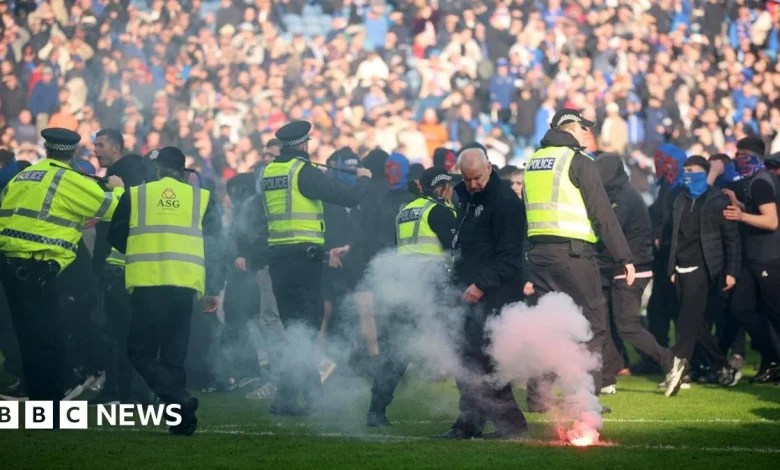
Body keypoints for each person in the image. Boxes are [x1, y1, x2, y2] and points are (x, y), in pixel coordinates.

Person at [0, 128, 123, 427]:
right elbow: (111, 208)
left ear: (45, 148)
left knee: (27, 338)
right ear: (74, 153)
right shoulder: (69, 179)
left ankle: (36, 404)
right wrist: (117, 187)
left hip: (9, 264)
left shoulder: (23, 176)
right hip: (39, 268)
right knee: (50, 339)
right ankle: (50, 411)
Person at [523, 109, 637, 413]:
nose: (588, 134)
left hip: (539, 257)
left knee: (548, 327)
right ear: (573, 128)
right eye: (586, 128)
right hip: (574, 256)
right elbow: (603, 215)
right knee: (594, 325)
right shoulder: (578, 162)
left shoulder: (533, 162)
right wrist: (624, 257)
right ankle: (585, 400)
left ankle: (537, 398)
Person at [108, 146, 226, 436]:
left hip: (148, 283)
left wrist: (141, 249)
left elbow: (115, 236)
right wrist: (213, 287)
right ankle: (182, 422)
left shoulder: (137, 194)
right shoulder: (202, 197)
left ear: (158, 169)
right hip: (184, 285)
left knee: (140, 351)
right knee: (174, 355)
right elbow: (216, 247)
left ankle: (179, 399)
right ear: (183, 171)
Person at [258, 120, 372, 415]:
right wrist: (363, 178)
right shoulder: (303, 172)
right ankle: (298, 399)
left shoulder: (269, 171)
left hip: (278, 260)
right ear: (305, 144)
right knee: (306, 327)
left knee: (296, 330)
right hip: (302, 261)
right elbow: (347, 196)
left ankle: (297, 399)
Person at [439, 145, 528, 439]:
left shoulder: (506, 203)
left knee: (486, 360)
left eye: (477, 178)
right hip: (466, 288)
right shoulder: (464, 194)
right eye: (466, 179)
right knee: (465, 359)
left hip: (495, 291)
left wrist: (481, 285)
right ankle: (469, 423)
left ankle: (511, 424)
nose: (473, 185)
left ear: (489, 167)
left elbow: (511, 257)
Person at [368, 166, 457, 427]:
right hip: (432, 286)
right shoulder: (438, 211)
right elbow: (456, 249)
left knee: (396, 353)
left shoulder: (406, 210)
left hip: (403, 286)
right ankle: (476, 411)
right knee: (461, 344)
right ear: (441, 188)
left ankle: (376, 410)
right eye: (450, 186)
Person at [595, 153, 686, 397]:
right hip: (623, 268)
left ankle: (669, 361)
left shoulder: (622, 198)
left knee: (626, 326)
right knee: (610, 323)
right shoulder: (619, 193)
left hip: (632, 268)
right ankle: (607, 377)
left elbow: (609, 231)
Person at [90, 128, 155, 405]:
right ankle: (132, 393)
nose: (96, 150)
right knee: (132, 332)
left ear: (116, 147)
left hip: (118, 266)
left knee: (116, 334)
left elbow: (128, 213)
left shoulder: (123, 174)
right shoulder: (136, 171)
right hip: (135, 266)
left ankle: (118, 392)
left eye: (101, 145)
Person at [667, 156, 742, 387]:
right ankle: (722, 365)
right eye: (685, 169)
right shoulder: (679, 199)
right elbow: (674, 237)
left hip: (704, 267)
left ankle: (678, 367)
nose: (687, 174)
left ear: (704, 172)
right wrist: (671, 267)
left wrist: (732, 271)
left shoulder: (717, 201)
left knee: (686, 322)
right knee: (695, 322)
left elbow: (732, 240)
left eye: (693, 170)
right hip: (679, 268)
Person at [723, 138, 780, 382]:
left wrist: (741, 214)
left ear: (754, 156)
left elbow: (771, 221)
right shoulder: (756, 181)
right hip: (754, 258)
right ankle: (771, 357)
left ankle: (773, 361)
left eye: (741, 154)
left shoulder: (761, 182)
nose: (737, 158)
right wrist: (741, 205)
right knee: (742, 307)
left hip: (767, 258)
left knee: (773, 314)